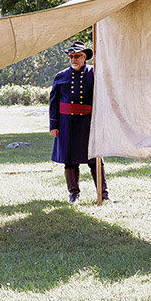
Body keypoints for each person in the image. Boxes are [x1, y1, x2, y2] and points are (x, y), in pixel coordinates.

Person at [49, 40, 108, 203]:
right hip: (66, 124)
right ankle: (73, 193)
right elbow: (53, 102)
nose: (73, 59)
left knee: (95, 158)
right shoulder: (60, 76)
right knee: (70, 159)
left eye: (77, 56)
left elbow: (102, 98)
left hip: (89, 123)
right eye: (71, 56)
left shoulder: (95, 73)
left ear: (85, 57)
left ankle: (103, 194)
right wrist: (53, 125)